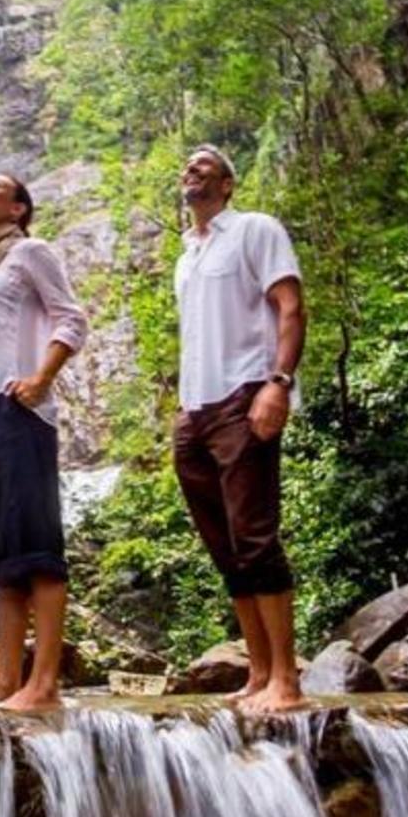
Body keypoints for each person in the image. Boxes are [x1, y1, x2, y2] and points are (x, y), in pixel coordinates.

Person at [172, 145, 307, 714]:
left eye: (205, 165)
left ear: (227, 184)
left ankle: (286, 679)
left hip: (245, 393)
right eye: (188, 165)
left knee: (254, 536)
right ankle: (256, 670)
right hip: (195, 410)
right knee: (224, 546)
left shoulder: (255, 230)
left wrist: (279, 382)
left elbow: (290, 306)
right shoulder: (187, 256)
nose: (192, 169)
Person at [0, 173, 89, 711]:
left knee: (36, 551)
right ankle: (6, 679)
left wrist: (40, 378)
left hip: (18, 412)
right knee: (3, 558)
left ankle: (45, 681)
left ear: (20, 207)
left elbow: (71, 319)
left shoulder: (30, 251)